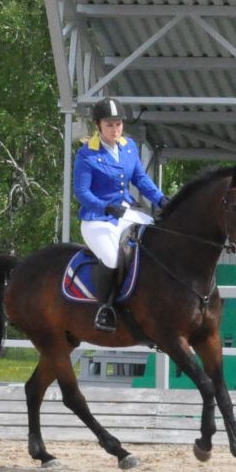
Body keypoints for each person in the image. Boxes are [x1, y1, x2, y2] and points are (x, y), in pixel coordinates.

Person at [73, 97, 167, 332]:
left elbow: (140, 179)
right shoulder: (87, 155)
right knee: (113, 258)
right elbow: (81, 192)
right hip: (97, 219)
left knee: (157, 237)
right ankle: (105, 309)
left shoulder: (129, 147)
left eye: (118, 124)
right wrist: (104, 207)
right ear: (98, 126)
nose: (115, 130)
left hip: (126, 212)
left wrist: (161, 199)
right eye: (109, 125)